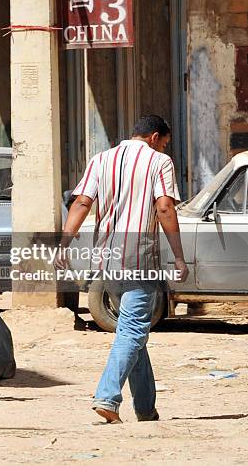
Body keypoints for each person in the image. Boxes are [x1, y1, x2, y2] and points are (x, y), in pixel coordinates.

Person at [58, 115, 188, 423]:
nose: (165, 147)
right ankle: (107, 397)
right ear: (155, 137)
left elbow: (80, 203)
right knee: (132, 330)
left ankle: (146, 408)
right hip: (139, 258)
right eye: (165, 142)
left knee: (133, 330)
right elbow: (165, 207)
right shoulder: (159, 162)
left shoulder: (101, 159)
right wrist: (179, 256)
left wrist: (63, 244)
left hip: (106, 257)